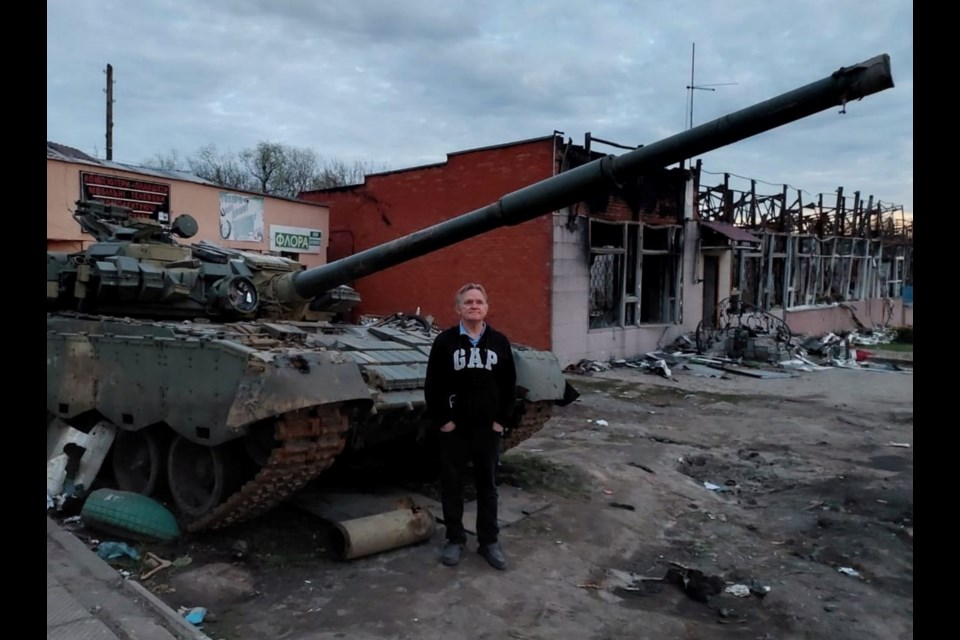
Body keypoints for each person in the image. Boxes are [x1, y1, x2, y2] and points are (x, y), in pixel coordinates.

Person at [424, 283, 517, 570]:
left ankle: (489, 541)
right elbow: (433, 385)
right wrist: (444, 421)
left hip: (487, 430)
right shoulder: (445, 342)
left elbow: (509, 385)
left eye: (479, 302)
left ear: (486, 308)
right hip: (456, 428)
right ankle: (455, 539)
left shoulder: (499, 342)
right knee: (452, 484)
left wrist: (502, 421)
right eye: (468, 302)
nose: (474, 306)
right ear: (458, 309)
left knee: (487, 486)